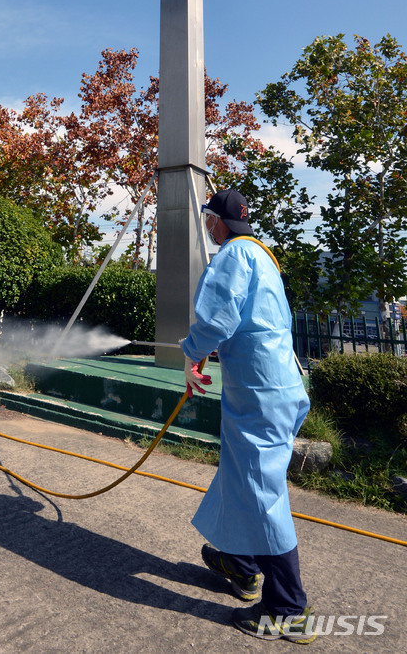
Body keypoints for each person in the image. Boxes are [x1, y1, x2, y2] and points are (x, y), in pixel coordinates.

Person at [181, 188, 316, 643]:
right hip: (277, 387)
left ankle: (288, 608)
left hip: (259, 396)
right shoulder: (262, 254)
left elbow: (217, 319)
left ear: (217, 222)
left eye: (208, 220)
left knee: (261, 491)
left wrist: (191, 355)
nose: (207, 226)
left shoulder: (233, 256)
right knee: (239, 476)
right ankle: (241, 565)